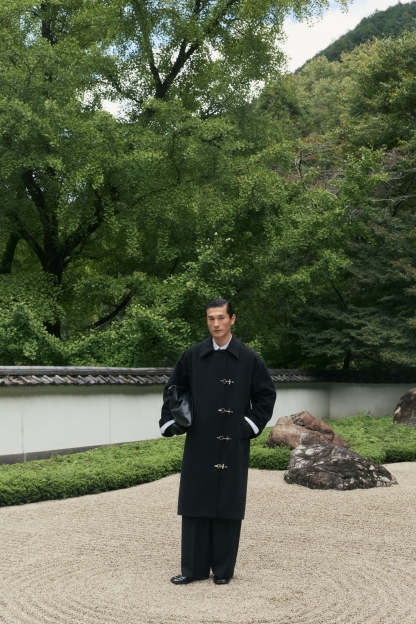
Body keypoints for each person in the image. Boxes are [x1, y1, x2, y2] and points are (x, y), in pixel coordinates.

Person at [159, 298, 276, 585]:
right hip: (199, 439)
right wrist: (173, 421)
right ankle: (193, 569)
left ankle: (223, 570)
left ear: (232, 319)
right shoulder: (193, 355)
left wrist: (248, 425)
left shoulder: (249, 358)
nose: (216, 324)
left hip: (233, 442)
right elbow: (174, 388)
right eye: (211, 318)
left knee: (227, 502)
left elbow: (266, 395)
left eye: (221, 317)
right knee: (195, 502)